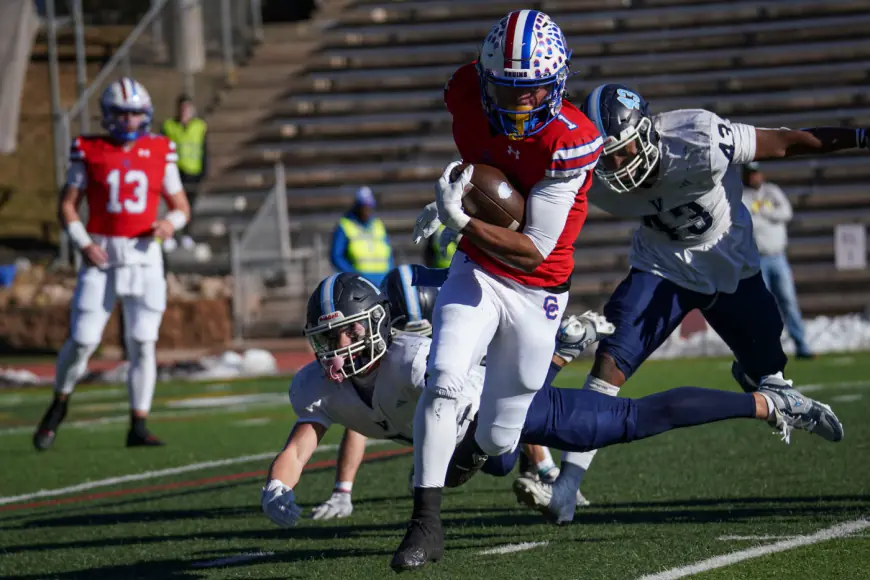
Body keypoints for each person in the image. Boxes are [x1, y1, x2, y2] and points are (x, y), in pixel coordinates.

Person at [517, 84, 869, 525]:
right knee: (607, 369)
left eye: (623, 153)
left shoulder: (700, 138)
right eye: (607, 159)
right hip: (661, 268)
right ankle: (567, 487)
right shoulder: (592, 172)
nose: (617, 167)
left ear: (646, 132)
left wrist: (858, 137)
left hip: (730, 266)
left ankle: (752, 370)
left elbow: (785, 140)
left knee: (770, 374)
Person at [260, 272, 843, 531]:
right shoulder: (318, 385)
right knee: (497, 460)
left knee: (628, 422)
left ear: (376, 327)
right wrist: (278, 485)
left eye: (345, 335)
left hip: (501, 405)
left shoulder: (414, 361)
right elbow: (305, 435)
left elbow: (470, 448)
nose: (334, 351)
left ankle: (770, 405)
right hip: (467, 427)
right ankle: (561, 349)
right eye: (324, 340)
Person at [393, 10, 604, 570]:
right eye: (506, 91)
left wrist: (458, 218)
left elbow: (533, 247)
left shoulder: (571, 141)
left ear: (555, 85)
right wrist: (456, 205)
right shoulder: (466, 93)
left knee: (500, 436)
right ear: (486, 80)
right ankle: (425, 522)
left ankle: (476, 448)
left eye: (530, 93)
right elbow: (485, 171)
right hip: (480, 270)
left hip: (538, 290)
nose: (517, 106)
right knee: (443, 377)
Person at [33, 77, 191, 450]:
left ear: (146, 114)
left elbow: (182, 206)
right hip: (101, 253)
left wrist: (170, 222)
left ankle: (138, 422)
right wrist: (83, 243)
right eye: (121, 114)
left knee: (142, 341)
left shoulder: (161, 149)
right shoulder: (87, 148)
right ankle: (60, 401)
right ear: (107, 115)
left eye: (135, 114)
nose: (129, 121)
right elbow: (67, 204)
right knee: (84, 340)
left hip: (144, 256)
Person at [742, 162, 814, 359]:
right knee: (762, 305)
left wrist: (765, 213)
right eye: (750, 174)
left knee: (788, 300)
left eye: (756, 173)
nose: (753, 177)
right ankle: (766, 349)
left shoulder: (772, 191)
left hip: (778, 256)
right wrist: (769, 216)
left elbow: (786, 213)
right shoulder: (742, 197)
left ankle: (802, 345)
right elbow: (748, 222)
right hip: (757, 260)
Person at [161, 94, 207, 251]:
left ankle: (187, 235)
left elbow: (204, 150)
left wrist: (204, 172)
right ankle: (170, 236)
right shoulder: (169, 126)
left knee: (189, 209)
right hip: (175, 173)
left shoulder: (199, 126)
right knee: (173, 207)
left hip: (193, 173)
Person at [330, 186, 394, 287]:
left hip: (383, 281)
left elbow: (388, 253)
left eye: (369, 206)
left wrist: (391, 274)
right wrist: (353, 275)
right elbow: (336, 256)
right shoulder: (345, 225)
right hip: (360, 285)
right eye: (364, 206)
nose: (367, 210)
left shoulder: (378, 225)